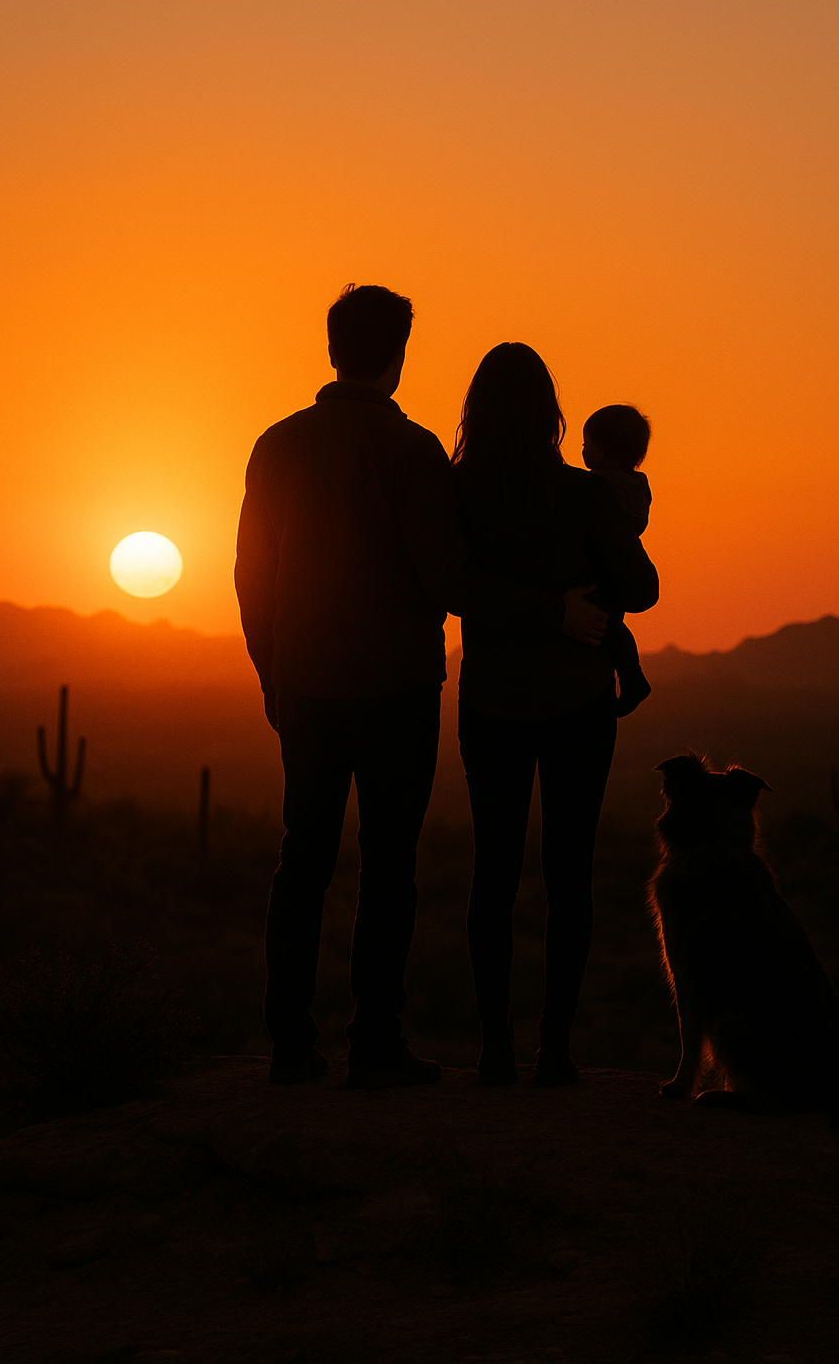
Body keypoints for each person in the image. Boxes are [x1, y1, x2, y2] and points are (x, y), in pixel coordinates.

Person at [234, 286, 606, 1090]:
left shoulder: (278, 446)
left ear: (334, 350)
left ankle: (291, 1046)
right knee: (387, 864)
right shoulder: (411, 453)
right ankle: (375, 1042)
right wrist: (554, 611)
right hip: (396, 686)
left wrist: (272, 673)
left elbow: (250, 575)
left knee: (303, 859)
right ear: (398, 357)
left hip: (303, 682)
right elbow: (450, 576)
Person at [452, 345, 659, 1087]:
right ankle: (556, 1048)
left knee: (493, 873)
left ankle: (494, 1047)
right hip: (577, 706)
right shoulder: (584, 495)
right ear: (551, 411)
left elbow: (451, 582)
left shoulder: (460, 493)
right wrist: (572, 601)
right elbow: (641, 590)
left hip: (491, 701)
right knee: (568, 874)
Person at [581, 404, 654, 716]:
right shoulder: (638, 486)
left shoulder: (597, 487)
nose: (582, 452)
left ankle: (633, 677)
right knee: (615, 625)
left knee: (606, 627)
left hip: (603, 570)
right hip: (623, 567)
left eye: (585, 445)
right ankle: (632, 676)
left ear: (600, 450)